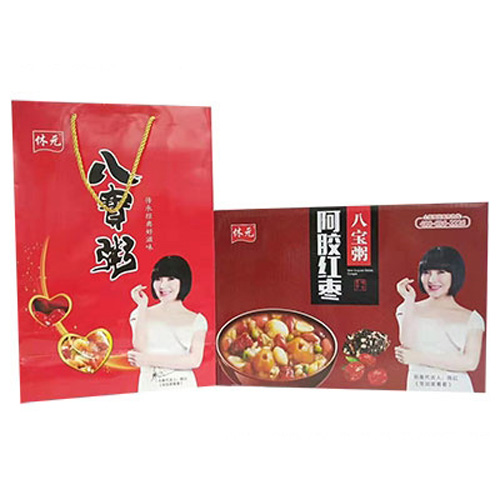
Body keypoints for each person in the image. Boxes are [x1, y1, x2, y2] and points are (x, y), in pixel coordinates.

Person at [394, 246, 485, 392]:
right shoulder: (408, 308)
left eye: (441, 272)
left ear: (455, 274)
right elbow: (407, 345)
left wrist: (418, 357)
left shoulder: (472, 318)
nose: (432, 279)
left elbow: (470, 363)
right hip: (419, 387)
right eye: (426, 272)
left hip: (458, 389)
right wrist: (409, 300)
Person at [127, 256, 208, 390]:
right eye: (158, 279)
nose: (163, 285)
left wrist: (147, 360)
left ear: (183, 281)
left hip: (183, 387)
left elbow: (194, 360)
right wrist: (142, 306)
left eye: (171, 279)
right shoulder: (140, 313)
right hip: (150, 387)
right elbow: (139, 349)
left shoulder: (197, 320)